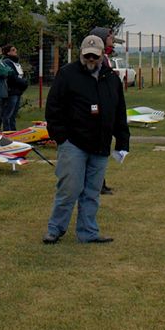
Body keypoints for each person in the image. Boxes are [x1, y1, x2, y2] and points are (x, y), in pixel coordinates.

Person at [43, 35, 129, 244]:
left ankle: (88, 232)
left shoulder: (112, 79)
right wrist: (61, 137)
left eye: (95, 56)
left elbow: (119, 112)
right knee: (69, 189)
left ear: (102, 55)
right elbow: (53, 108)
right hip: (73, 143)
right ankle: (55, 229)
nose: (91, 59)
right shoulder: (67, 74)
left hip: (100, 145)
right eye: (87, 55)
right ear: (81, 53)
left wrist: (122, 141)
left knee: (92, 192)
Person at [89, 26, 119, 195]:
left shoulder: (106, 57)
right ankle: (97, 183)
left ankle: (101, 182)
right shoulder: (96, 59)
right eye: (110, 37)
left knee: (102, 148)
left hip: (105, 110)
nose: (112, 40)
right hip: (95, 110)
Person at [1, 44, 28, 131]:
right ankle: (7, 131)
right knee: (8, 113)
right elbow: (12, 77)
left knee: (13, 114)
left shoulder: (16, 63)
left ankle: (13, 131)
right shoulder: (7, 62)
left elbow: (20, 75)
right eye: (13, 50)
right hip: (11, 91)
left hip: (17, 90)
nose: (15, 51)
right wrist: (23, 82)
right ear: (8, 53)